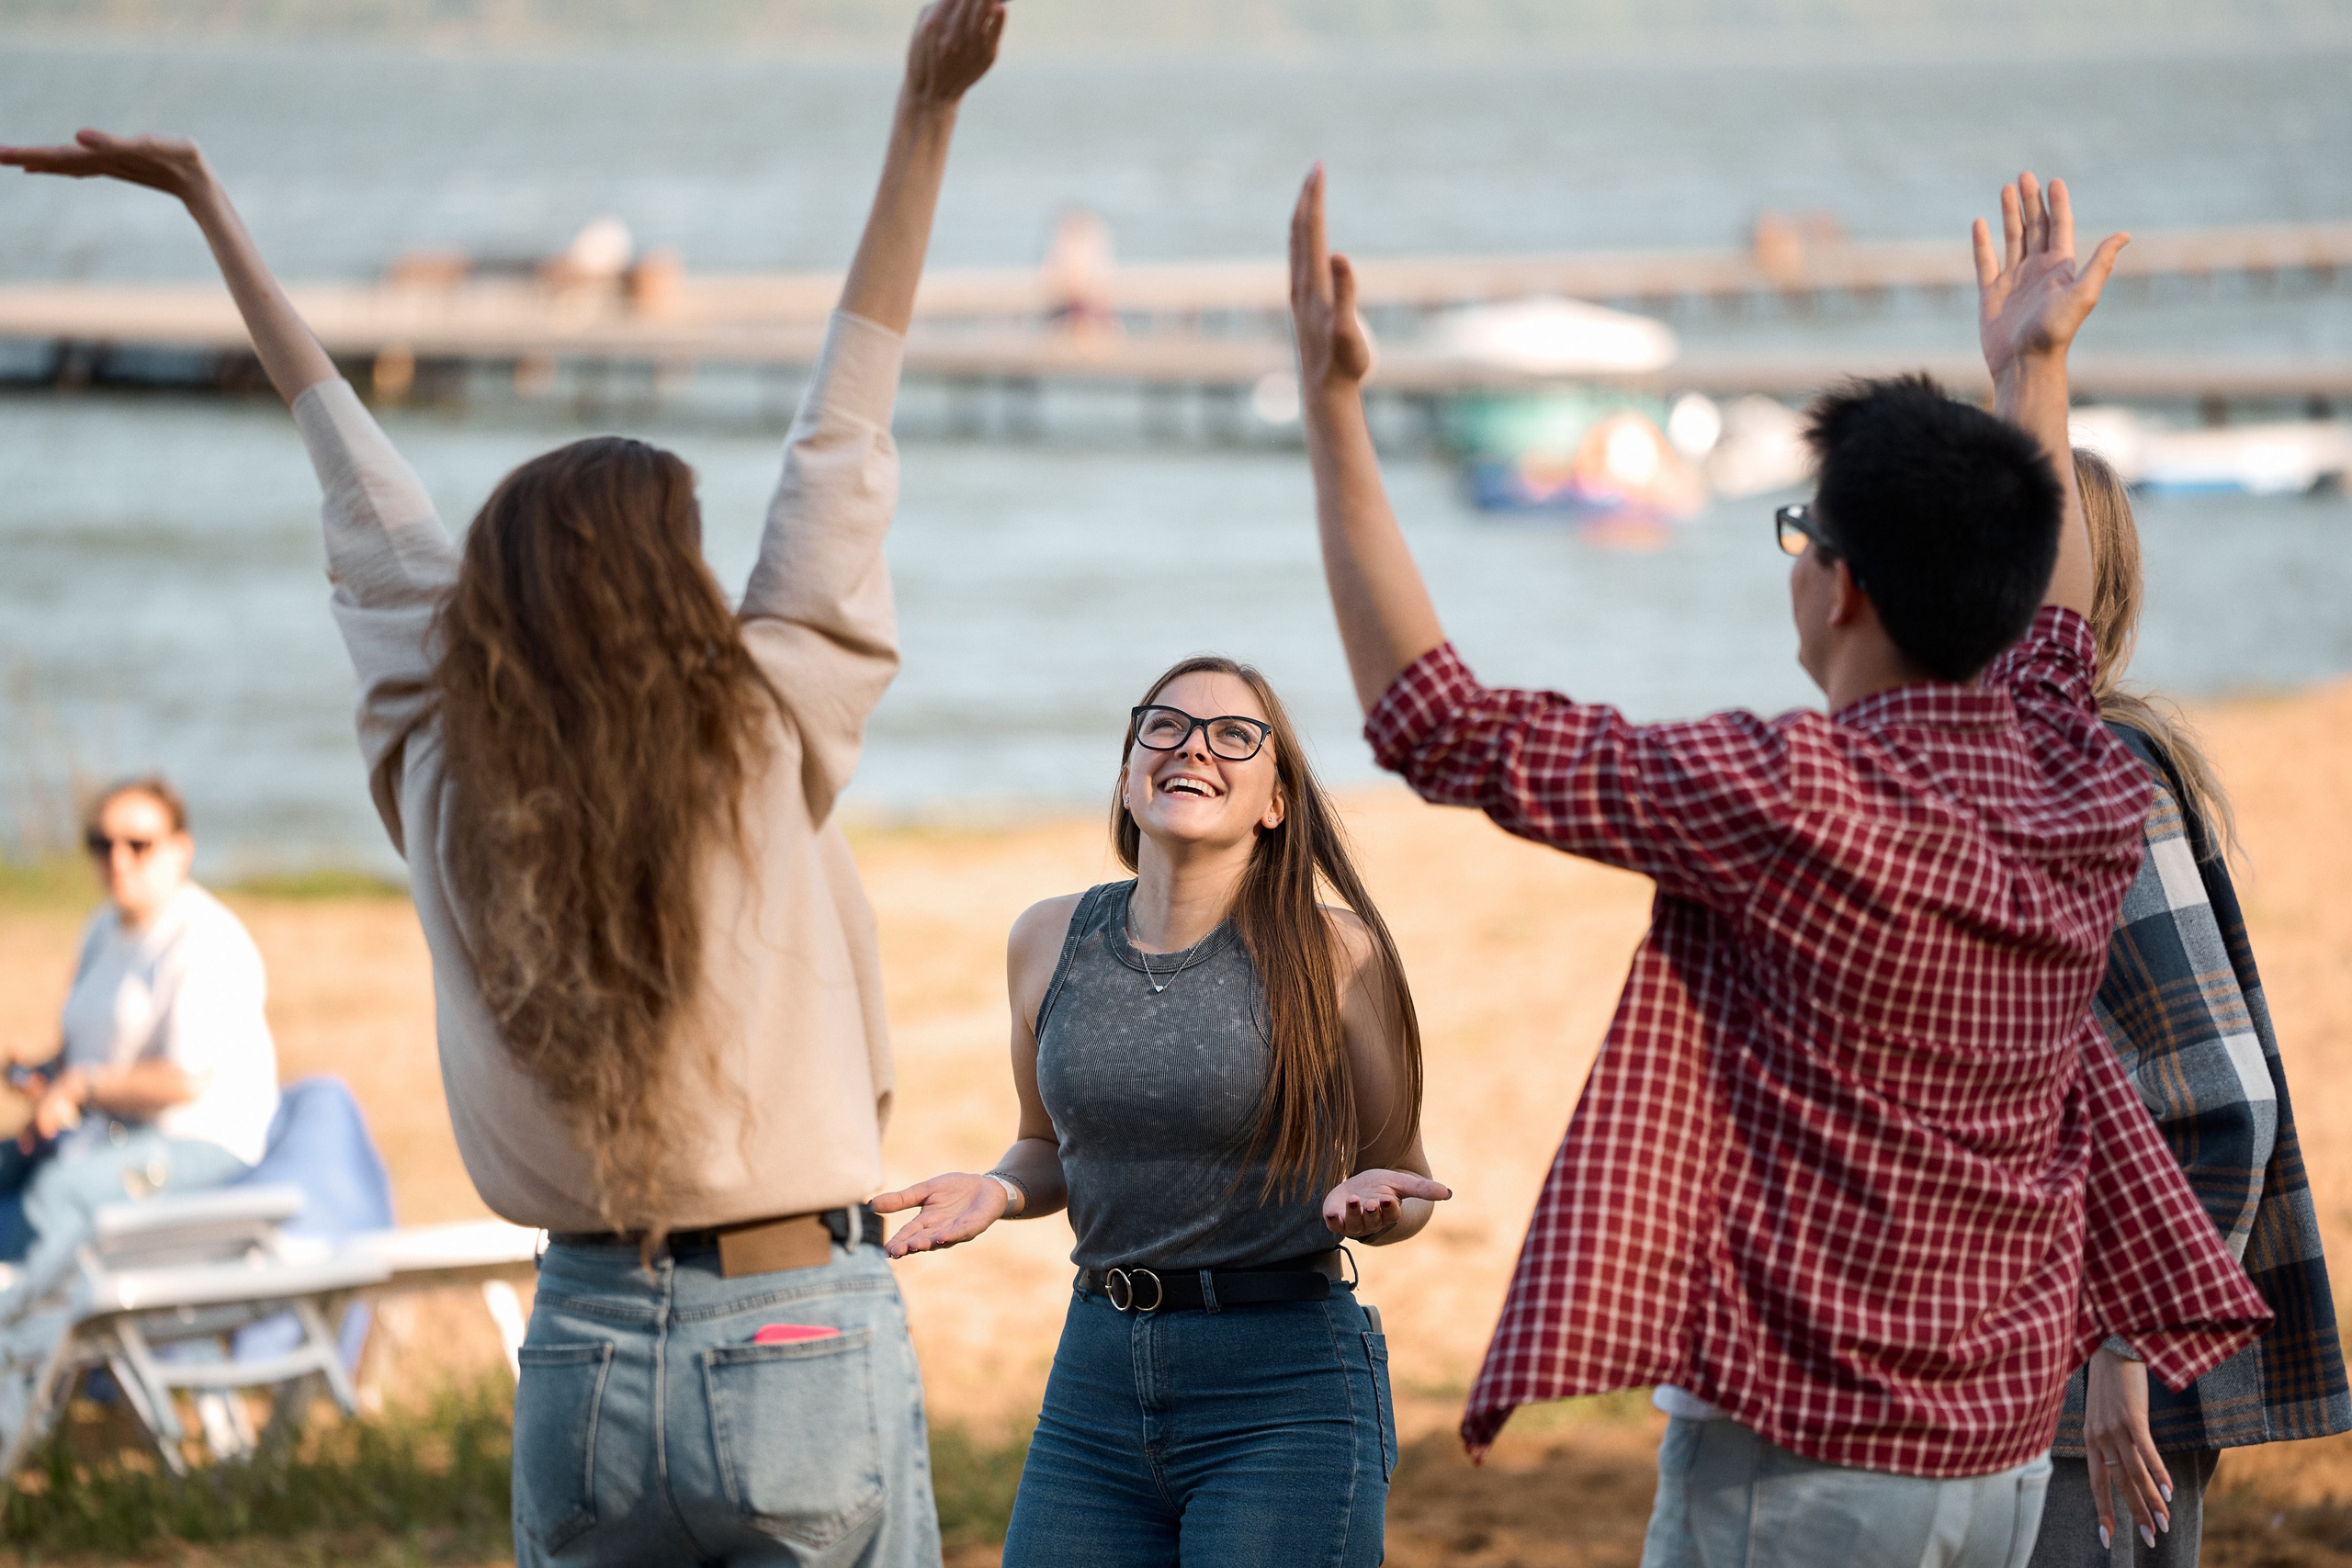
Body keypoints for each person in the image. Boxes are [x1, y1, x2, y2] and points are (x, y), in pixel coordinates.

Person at [3, 4, 1003, 1562]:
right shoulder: (765, 738)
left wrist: (214, 213)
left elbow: (366, 503)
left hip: (586, 1342)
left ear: (495, 610)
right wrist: (923, 117)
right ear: (672, 594)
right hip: (795, 1325)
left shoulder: (444, 784)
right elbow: (840, 437)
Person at [1286, 158, 2275, 1568]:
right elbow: (2048, 625)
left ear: (1840, 584)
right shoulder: (2078, 780)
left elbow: (1435, 721)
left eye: (1799, 534)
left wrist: (1334, 413)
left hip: (1810, 1458)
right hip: (1998, 1447)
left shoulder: (1790, 794)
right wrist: (2033, 375)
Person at [873, 655, 1450, 1568]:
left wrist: (1379, 1210)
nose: (1193, 748)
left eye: (1233, 736)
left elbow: (1406, 1181)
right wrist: (997, 1187)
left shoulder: (1335, 952)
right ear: (1129, 770)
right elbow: (1042, 1145)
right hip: (1093, 1381)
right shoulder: (1047, 937)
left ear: (1276, 801)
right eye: (1165, 726)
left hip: (1283, 1391)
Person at [2025, 451, 2352, 1568]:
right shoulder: (2025, 772)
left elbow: (2222, 1095)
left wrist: (2123, 1344)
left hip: (2100, 1396)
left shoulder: (2099, 772)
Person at [0, 776, 280, 1307]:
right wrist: (44, 1074)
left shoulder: (207, 939)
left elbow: (185, 1080)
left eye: (139, 844)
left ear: (181, 850)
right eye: (102, 844)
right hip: (108, 1133)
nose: (119, 860)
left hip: (200, 1141)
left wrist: (80, 1089)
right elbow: (84, 1054)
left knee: (55, 1195)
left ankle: (41, 1345)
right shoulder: (101, 930)